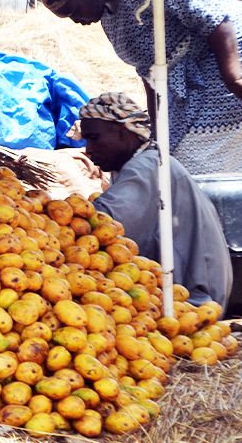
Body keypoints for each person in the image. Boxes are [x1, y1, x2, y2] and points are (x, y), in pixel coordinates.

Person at [39, 0, 242, 175]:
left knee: (195, 162)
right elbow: (148, 70)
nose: (75, 20)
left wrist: (234, 78)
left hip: (223, 57)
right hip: (186, 84)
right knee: (168, 157)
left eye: (73, 11)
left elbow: (217, 19)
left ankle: (214, 212)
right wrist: (157, 128)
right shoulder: (110, 19)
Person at [77, 92, 232, 309]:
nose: (88, 150)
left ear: (122, 132)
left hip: (192, 301)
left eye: (94, 138)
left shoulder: (148, 165)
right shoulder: (139, 162)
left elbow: (104, 224)